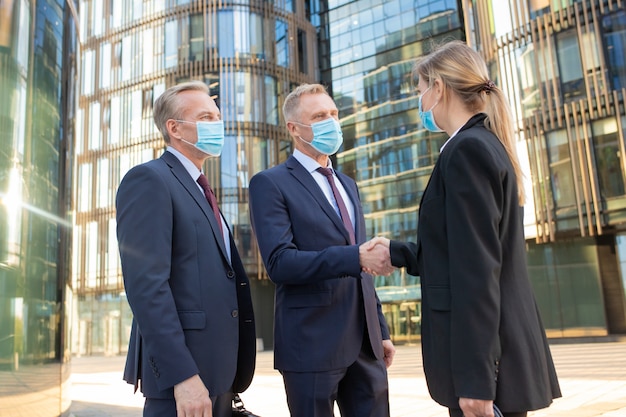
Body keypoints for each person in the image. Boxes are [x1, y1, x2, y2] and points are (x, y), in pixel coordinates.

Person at [368, 41, 561, 417]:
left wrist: (476, 380)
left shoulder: (466, 152)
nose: (420, 101)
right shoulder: (483, 144)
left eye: (420, 89)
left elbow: (477, 270)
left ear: (438, 88)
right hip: (498, 358)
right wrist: (399, 252)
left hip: (487, 367)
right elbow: (462, 249)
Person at [248, 83, 395, 417]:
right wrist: (355, 257)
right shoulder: (270, 183)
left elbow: (365, 264)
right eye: (319, 116)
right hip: (311, 344)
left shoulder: (348, 184)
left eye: (333, 113)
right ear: (293, 128)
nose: (331, 121)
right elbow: (280, 263)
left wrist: (381, 331)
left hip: (366, 345)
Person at [116, 81, 256, 417]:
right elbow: (147, 288)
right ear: (175, 128)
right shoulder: (149, 180)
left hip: (220, 376)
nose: (218, 125)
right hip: (185, 382)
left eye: (218, 116)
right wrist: (183, 377)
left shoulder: (200, 188)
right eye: (206, 117)